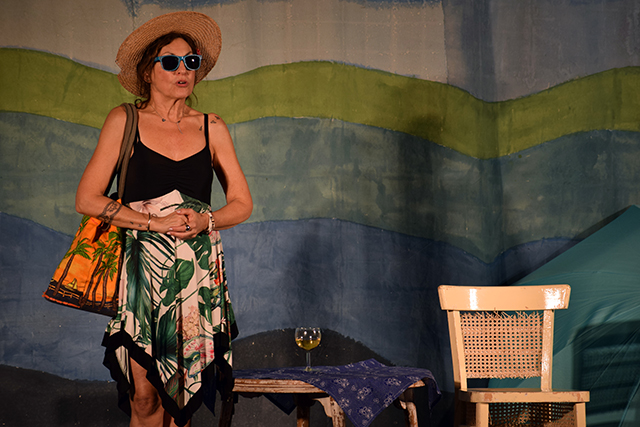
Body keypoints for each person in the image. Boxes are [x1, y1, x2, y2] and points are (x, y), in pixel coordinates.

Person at [75, 11, 252, 427]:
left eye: (191, 62)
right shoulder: (125, 120)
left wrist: (207, 221)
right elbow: (87, 198)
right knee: (144, 396)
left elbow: (242, 204)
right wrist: (153, 223)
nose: (183, 70)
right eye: (170, 62)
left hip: (195, 275)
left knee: (180, 398)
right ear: (147, 71)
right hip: (141, 271)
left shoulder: (212, 127)